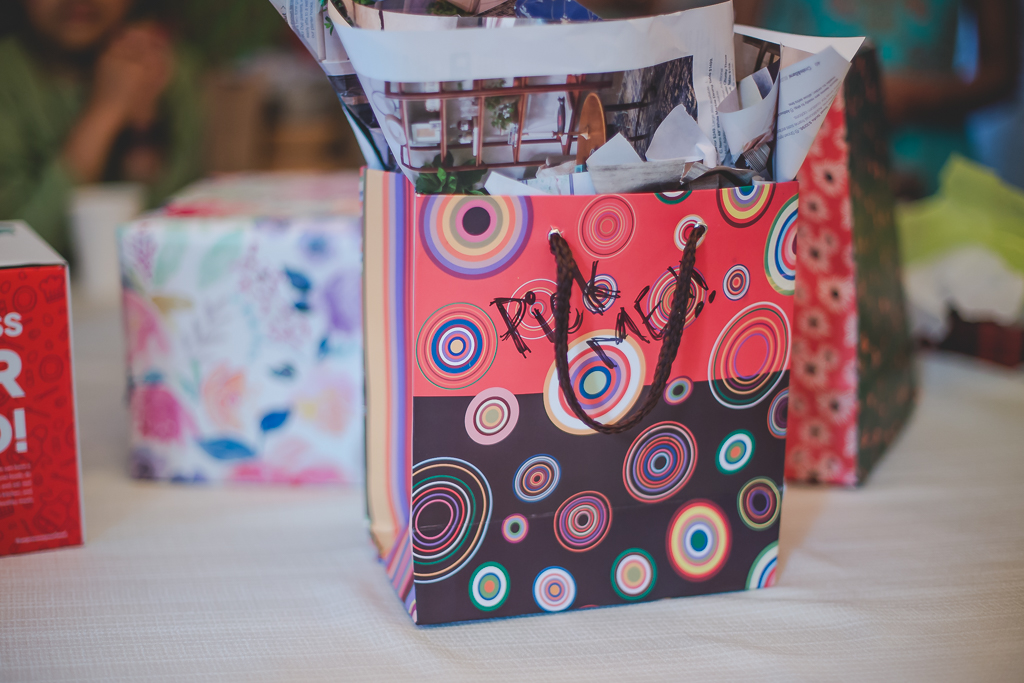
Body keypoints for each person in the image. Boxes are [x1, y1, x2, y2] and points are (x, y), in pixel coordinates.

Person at [734, 0, 1020, 197]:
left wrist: (910, 97)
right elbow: (735, 61)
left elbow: (1002, 73)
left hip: (933, 174)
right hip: (806, 176)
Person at [0, 0, 203, 256]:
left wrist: (143, 129)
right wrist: (105, 112)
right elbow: (16, 251)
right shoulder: (7, 77)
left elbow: (185, 239)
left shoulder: (166, 67)